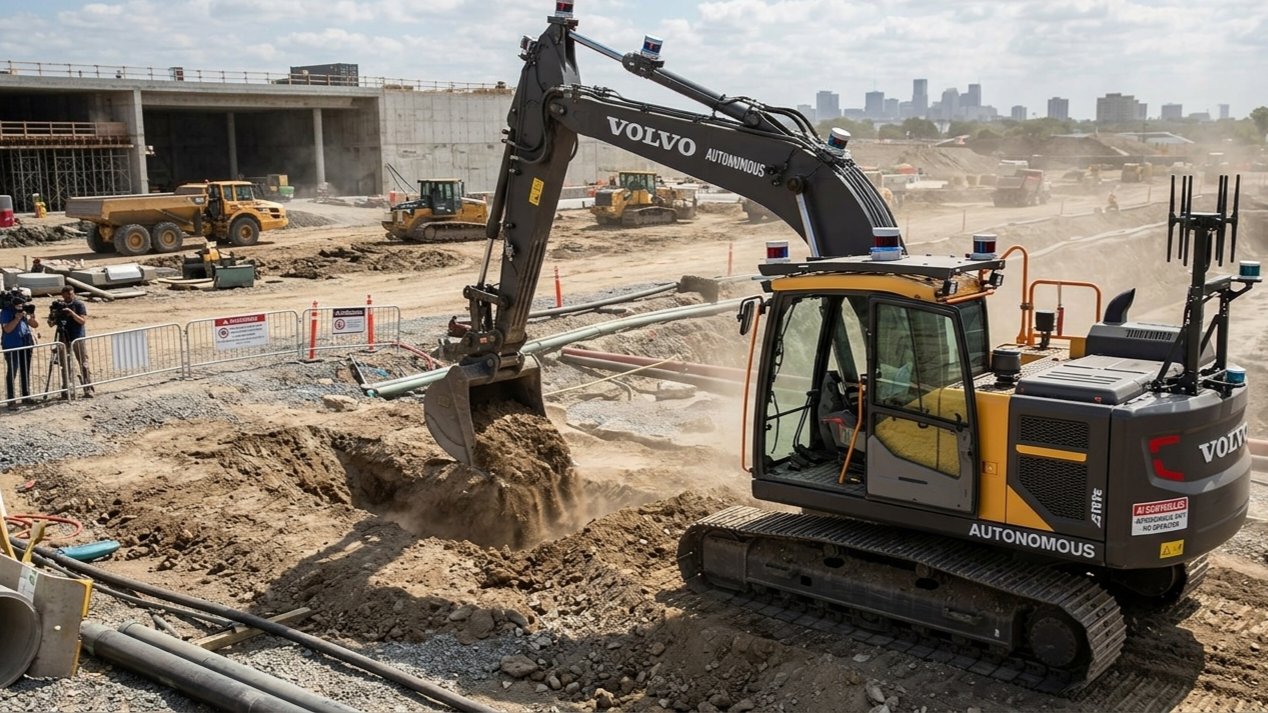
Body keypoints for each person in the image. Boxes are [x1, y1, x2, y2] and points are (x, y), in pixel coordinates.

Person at [52, 286, 93, 398]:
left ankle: (87, 388)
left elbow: (82, 321)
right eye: (65, 296)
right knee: (65, 365)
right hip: (64, 338)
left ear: (73, 293)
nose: (68, 297)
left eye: (70, 294)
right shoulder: (60, 306)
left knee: (83, 363)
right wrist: (54, 315)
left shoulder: (79, 305)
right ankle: (67, 389)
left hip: (77, 337)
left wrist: (71, 313)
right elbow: (51, 323)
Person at [1, 289, 40, 409]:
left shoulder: (24, 310)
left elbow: (35, 325)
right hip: (11, 345)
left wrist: (31, 316)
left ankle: (26, 396)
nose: (20, 305)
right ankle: (11, 400)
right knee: (12, 371)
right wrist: (17, 318)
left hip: (26, 344)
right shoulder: (6, 312)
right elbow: (7, 329)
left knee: (25, 370)